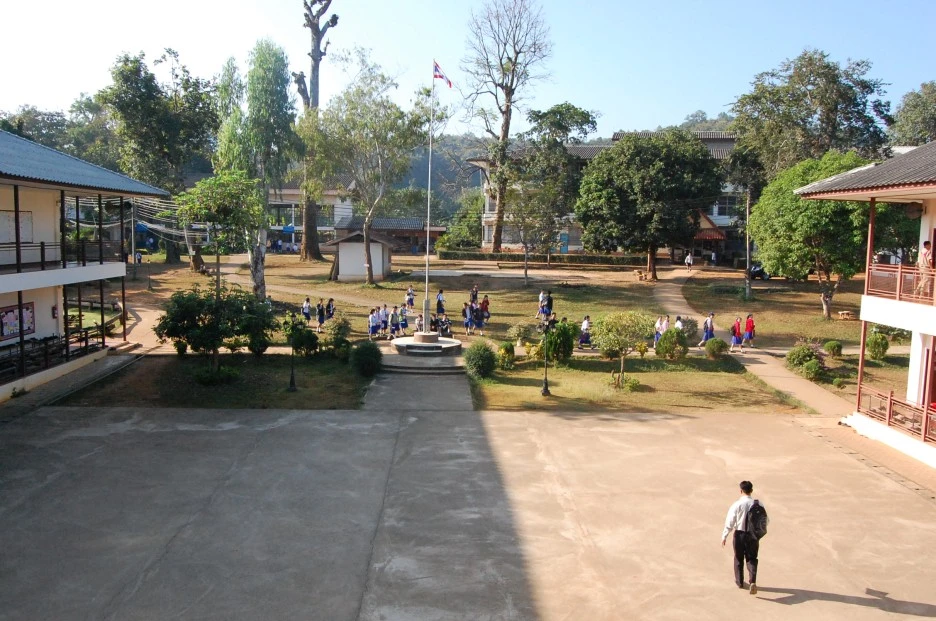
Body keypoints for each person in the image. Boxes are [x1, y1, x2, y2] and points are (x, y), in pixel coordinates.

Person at [722, 480, 768, 594]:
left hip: (739, 534)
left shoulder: (737, 504)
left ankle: (740, 582)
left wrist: (725, 535)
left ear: (741, 491)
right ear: (751, 491)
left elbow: (730, 521)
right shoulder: (758, 504)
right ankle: (752, 581)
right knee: (752, 558)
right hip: (753, 536)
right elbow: (766, 520)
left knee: (738, 558)